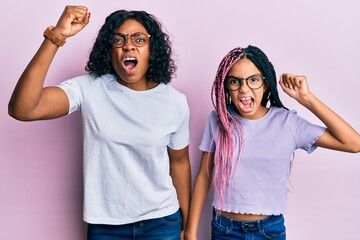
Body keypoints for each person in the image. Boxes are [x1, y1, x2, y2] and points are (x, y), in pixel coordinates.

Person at [8, 5, 191, 240]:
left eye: (139, 39)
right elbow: (22, 109)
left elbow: (179, 163)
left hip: (162, 222)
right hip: (105, 227)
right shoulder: (89, 88)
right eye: (118, 39)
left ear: (152, 48)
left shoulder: (174, 102)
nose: (128, 45)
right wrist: (56, 36)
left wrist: (188, 225)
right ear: (109, 49)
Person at [185, 45, 360, 240]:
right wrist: (191, 231)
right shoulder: (219, 120)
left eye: (253, 80)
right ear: (226, 86)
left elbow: (353, 144)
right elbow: (204, 176)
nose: (244, 89)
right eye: (235, 81)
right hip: (224, 229)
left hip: (268, 231)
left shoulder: (287, 123)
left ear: (266, 84)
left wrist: (307, 98)